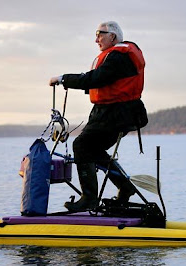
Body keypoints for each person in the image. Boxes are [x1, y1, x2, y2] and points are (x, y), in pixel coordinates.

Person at [49, 21, 148, 212]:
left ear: (113, 36)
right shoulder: (116, 57)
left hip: (116, 114)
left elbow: (96, 78)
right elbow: (100, 82)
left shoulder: (118, 57)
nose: (96, 39)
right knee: (92, 150)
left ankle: (89, 199)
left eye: (100, 34)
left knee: (82, 146)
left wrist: (64, 79)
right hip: (113, 113)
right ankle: (125, 187)